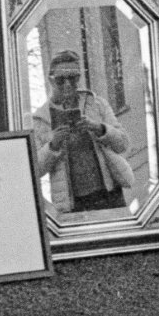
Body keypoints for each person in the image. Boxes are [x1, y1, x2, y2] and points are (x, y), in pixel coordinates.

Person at [30, 50, 137, 213]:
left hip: (110, 193)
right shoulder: (40, 119)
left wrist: (99, 128)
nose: (67, 85)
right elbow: (35, 170)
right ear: (50, 80)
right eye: (60, 80)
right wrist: (53, 145)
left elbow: (123, 144)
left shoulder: (96, 104)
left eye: (73, 78)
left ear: (79, 78)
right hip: (73, 203)